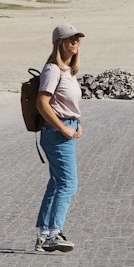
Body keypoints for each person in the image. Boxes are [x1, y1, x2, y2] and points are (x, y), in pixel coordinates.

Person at [34, 23, 85, 254]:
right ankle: (55, 233)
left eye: (78, 39)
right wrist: (63, 127)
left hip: (66, 129)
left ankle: (44, 234)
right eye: (71, 39)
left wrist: (76, 123)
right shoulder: (52, 69)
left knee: (57, 183)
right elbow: (42, 103)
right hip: (56, 133)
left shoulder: (67, 71)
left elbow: (64, 103)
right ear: (60, 43)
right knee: (68, 183)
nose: (76, 42)